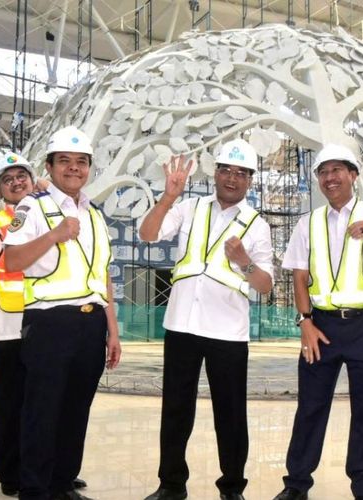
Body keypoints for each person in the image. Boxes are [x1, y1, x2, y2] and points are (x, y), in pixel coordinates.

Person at [139, 139, 274, 500]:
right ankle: (171, 484)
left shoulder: (256, 226)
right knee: (175, 411)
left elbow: (265, 286)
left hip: (228, 332)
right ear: (215, 173)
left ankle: (232, 487)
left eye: (241, 173)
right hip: (182, 325)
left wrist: (244, 261)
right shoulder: (189, 208)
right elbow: (147, 234)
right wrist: (168, 197)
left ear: (250, 180)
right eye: (227, 170)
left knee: (230, 415)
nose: (232, 178)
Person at [273, 143, 363, 500]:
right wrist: (305, 323)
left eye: (337, 170)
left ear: (353, 175)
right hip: (322, 326)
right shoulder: (308, 222)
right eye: (323, 172)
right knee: (311, 405)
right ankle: (297, 484)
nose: (330, 178)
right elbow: (299, 277)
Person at [3, 126, 121, 500]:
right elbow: (13, 259)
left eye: (81, 162)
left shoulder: (96, 215)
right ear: (50, 166)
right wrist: (54, 234)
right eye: (65, 161)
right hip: (50, 322)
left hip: (92, 322)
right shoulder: (33, 207)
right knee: (42, 411)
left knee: (76, 411)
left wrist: (113, 330)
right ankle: (35, 490)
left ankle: (63, 483)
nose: (74, 168)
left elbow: (103, 276)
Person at [0, 152, 88, 497]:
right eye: (7, 180)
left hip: (48, 325)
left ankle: (50, 470)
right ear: (0, 189)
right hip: (11, 327)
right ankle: (12, 474)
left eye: (21, 176)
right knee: (11, 406)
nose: (16, 183)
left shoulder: (51, 212)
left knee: (49, 406)